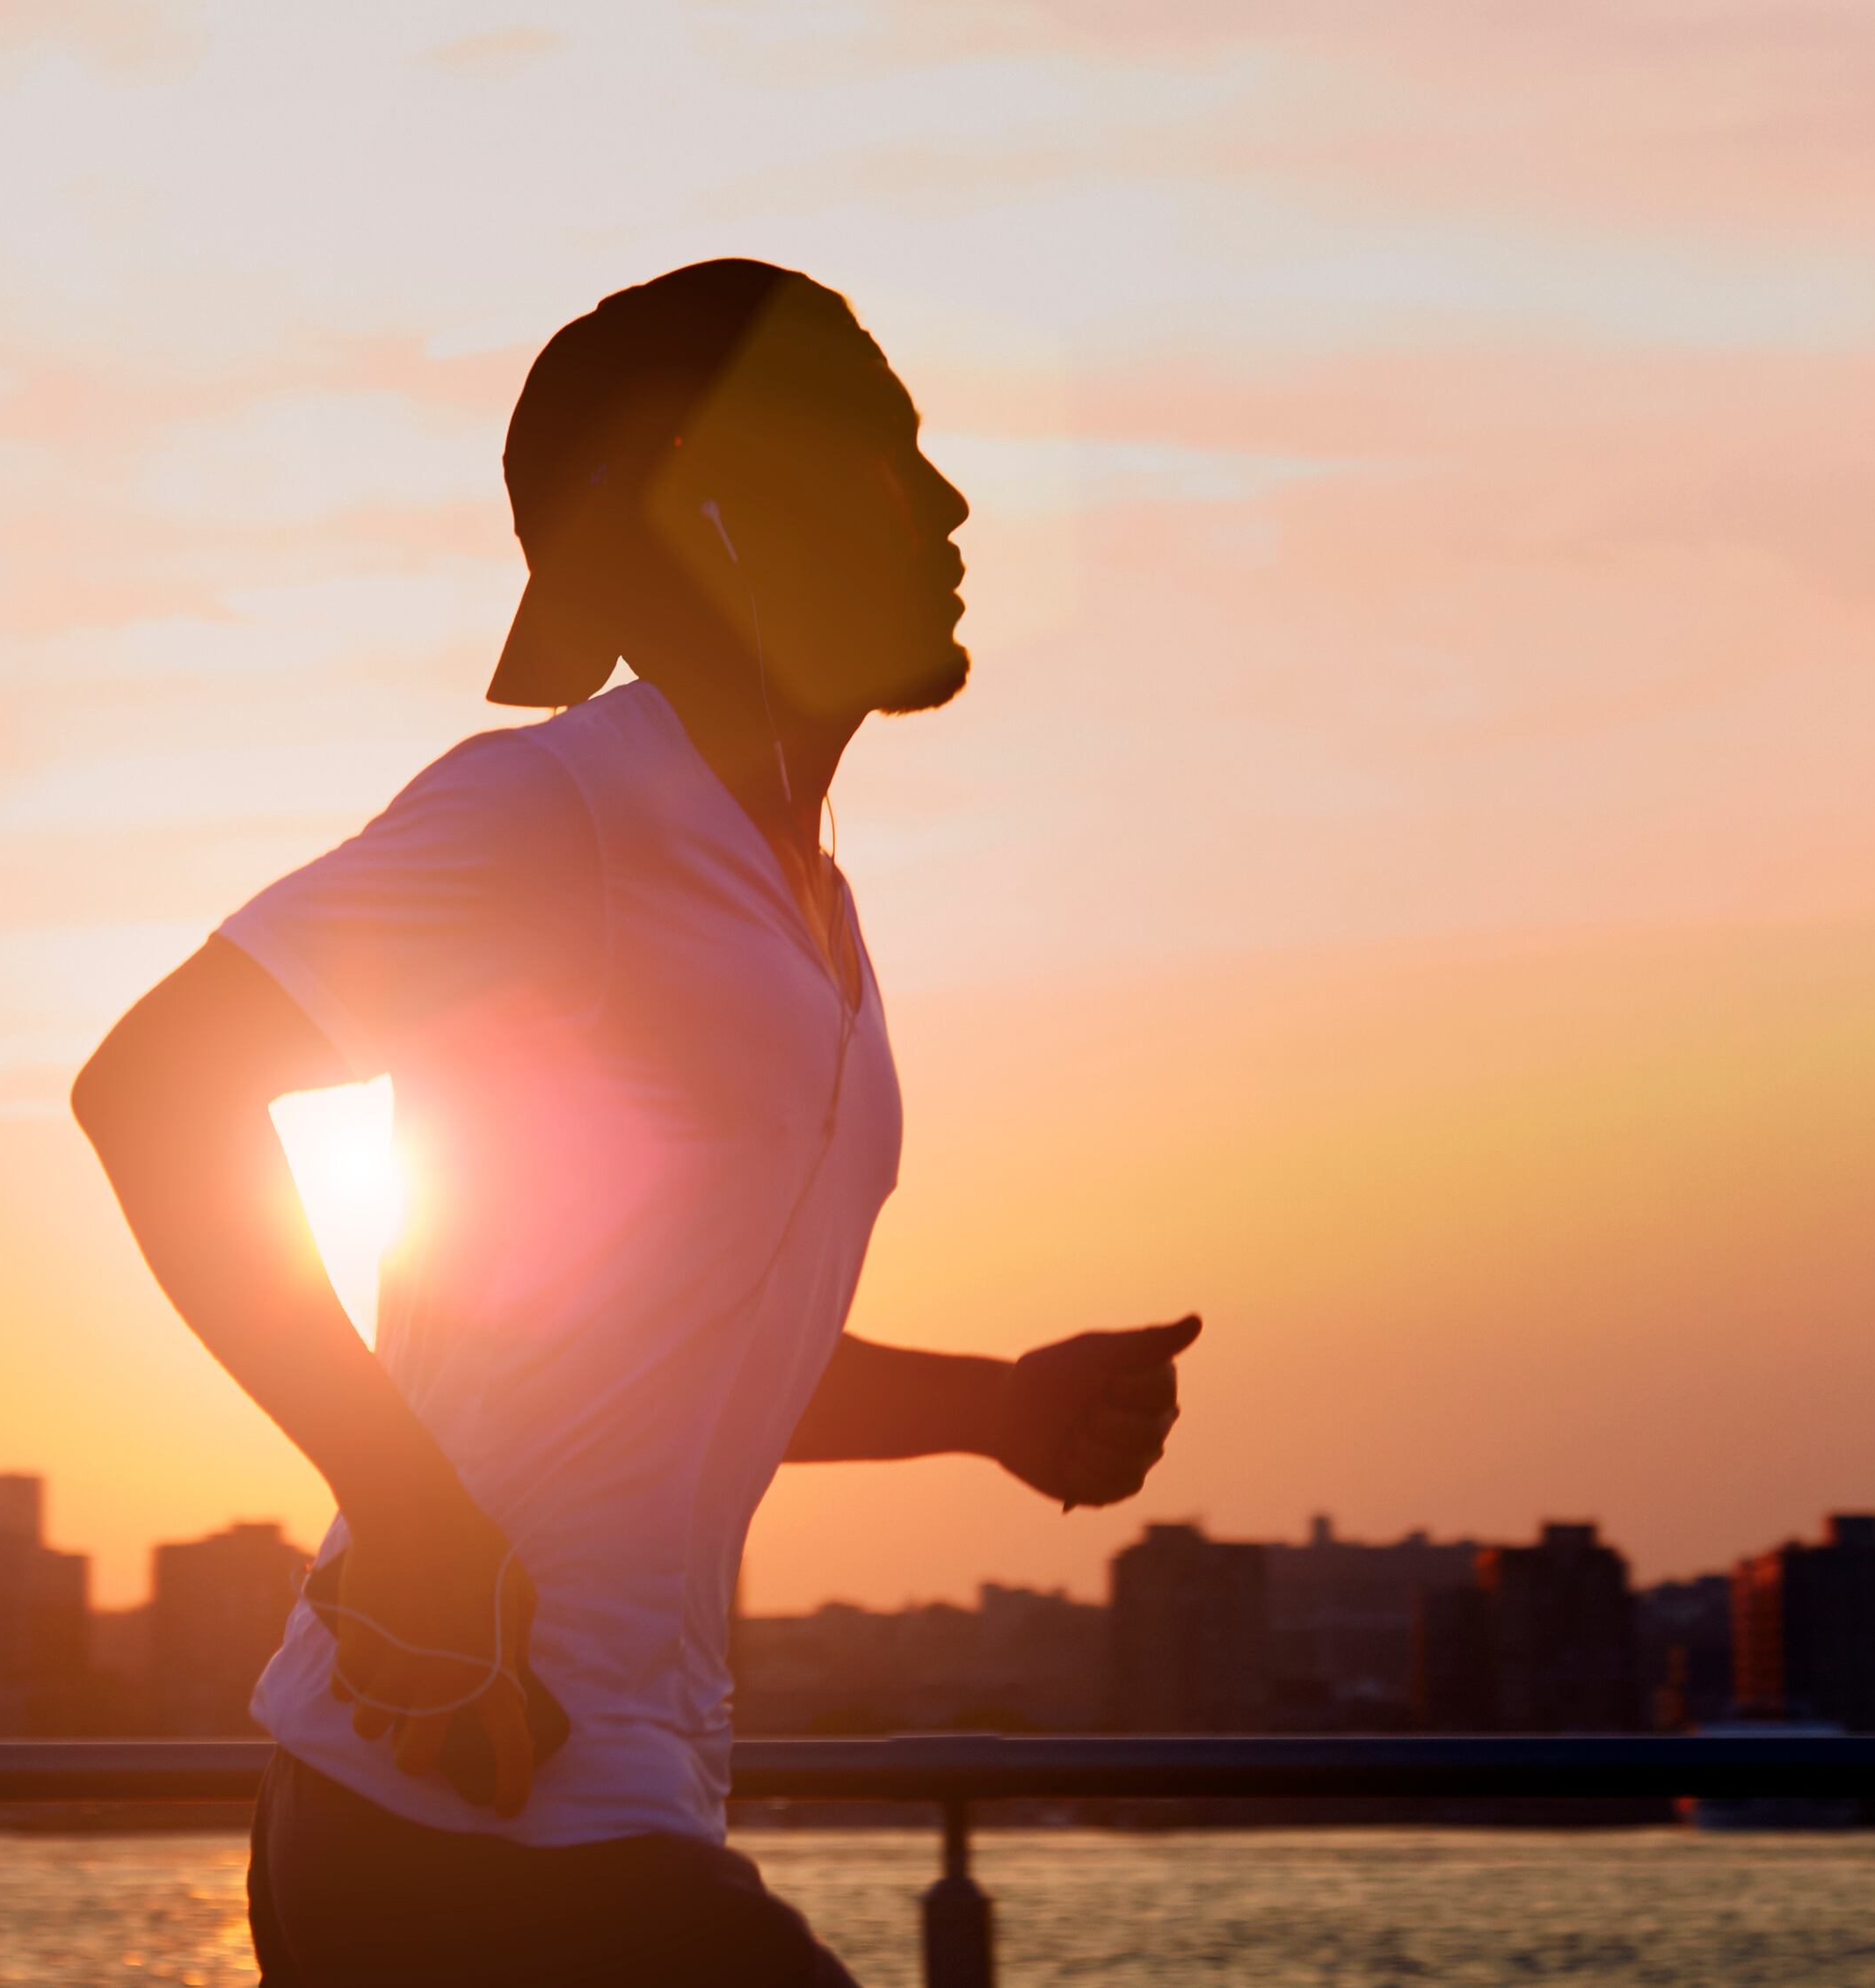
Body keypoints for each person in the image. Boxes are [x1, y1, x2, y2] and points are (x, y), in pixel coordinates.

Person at [73, 259, 1200, 1987]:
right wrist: (414, 1511)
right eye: (887, 447)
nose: (954, 499)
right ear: (719, 499)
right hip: (457, 1802)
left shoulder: (802, 906)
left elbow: (665, 1352)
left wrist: (993, 1407)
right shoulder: (561, 814)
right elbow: (155, 1089)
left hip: (582, 1801)